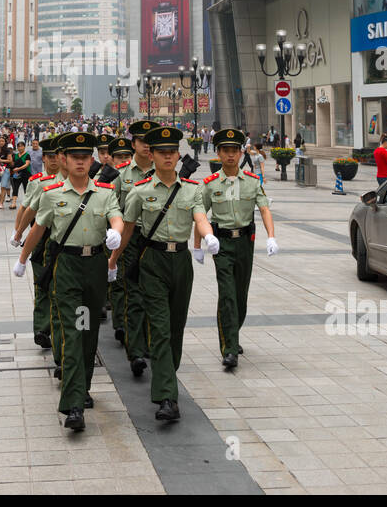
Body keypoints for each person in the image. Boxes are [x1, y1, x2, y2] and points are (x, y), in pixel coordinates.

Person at [14, 132, 123, 432]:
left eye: (84, 157)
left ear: (91, 160)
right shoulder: (53, 193)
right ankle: (73, 404)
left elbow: (117, 217)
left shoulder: (104, 192)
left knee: (88, 330)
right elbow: (39, 227)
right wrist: (23, 258)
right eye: (74, 157)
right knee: (73, 331)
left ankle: (82, 386)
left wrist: (115, 232)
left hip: (95, 267)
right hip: (68, 268)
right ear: (65, 160)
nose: (79, 162)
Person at [109, 126, 217, 422]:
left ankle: (167, 370)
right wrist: (113, 261)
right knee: (159, 326)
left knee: (175, 328)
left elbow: (200, 217)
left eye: (172, 152)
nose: (168, 157)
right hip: (152, 261)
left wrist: (207, 237)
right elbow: (128, 229)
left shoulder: (192, 190)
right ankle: (167, 397)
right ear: (152, 155)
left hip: (180, 261)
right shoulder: (139, 191)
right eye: (162, 152)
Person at [194, 129, 277, 369]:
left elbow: (264, 209)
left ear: (241, 153)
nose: (230, 155)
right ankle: (229, 348)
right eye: (225, 151)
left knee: (241, 295)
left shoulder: (252, 182)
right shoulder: (210, 185)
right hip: (221, 243)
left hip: (245, 243)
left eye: (234, 151)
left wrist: (271, 237)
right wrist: (198, 245)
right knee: (228, 295)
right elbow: (200, 215)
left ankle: (233, 333)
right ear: (218, 153)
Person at [114, 120, 158, 376]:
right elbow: (113, 207)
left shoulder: (165, 171)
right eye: (142, 141)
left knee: (154, 296)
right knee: (134, 296)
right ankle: (136, 351)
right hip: (132, 240)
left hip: (156, 242)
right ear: (134, 144)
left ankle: (150, 342)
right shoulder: (121, 175)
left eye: (151, 142)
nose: (147, 146)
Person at [13, 135, 61, 354]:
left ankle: (59, 328)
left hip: (63, 238)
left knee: (60, 288)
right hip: (42, 238)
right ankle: (42, 329)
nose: (53, 161)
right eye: (49, 157)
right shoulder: (37, 182)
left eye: (56, 156)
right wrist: (18, 232)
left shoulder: (74, 180)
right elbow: (26, 209)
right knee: (42, 284)